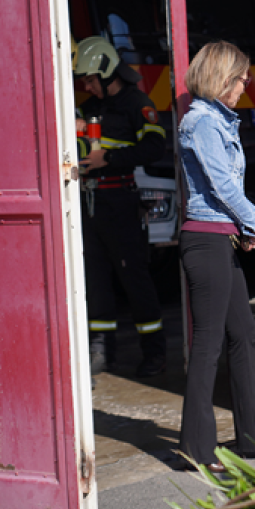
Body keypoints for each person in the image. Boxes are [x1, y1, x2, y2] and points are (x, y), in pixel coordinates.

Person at [176, 40, 255, 475]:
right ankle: (196, 449)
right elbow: (220, 184)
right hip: (205, 240)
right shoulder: (201, 122)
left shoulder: (218, 120)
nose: (244, 86)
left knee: (245, 331)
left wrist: (242, 228)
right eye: (241, 79)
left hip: (220, 237)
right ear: (223, 77)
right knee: (209, 344)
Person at [74, 36, 167, 377]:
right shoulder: (88, 109)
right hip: (92, 204)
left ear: (104, 70)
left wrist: (109, 158)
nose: (85, 85)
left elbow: (155, 147)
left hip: (122, 204)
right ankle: (102, 351)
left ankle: (154, 354)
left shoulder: (137, 103)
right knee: (96, 281)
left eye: (88, 78)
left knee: (135, 279)